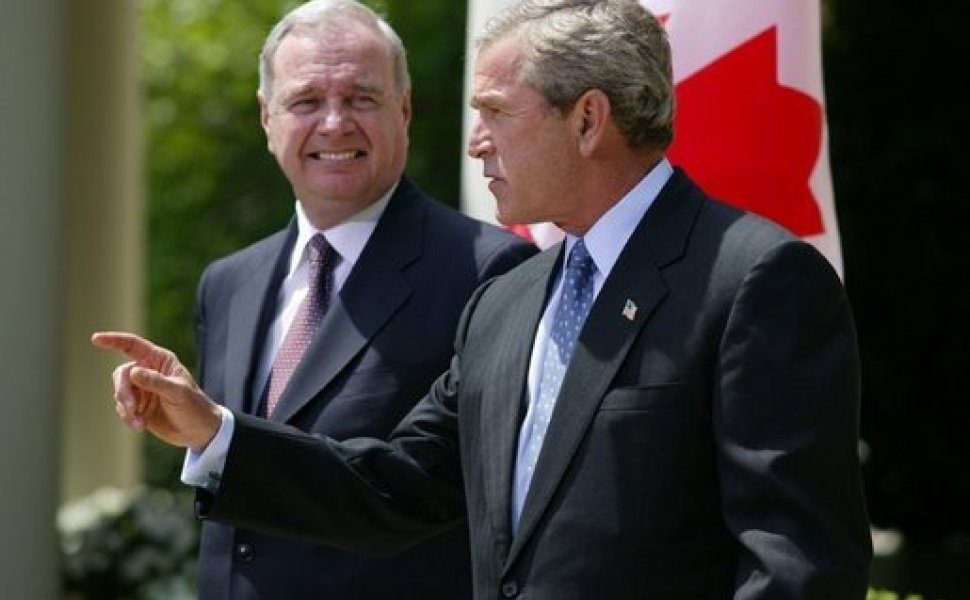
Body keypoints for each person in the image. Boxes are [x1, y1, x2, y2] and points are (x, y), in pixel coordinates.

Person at [94, 0, 873, 597]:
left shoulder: (753, 278)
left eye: (496, 112)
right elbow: (397, 487)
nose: (474, 142)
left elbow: (796, 565)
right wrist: (218, 433)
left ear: (588, 120)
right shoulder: (511, 299)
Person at [127, 1, 536, 598]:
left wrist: (218, 431)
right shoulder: (228, 283)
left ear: (405, 109)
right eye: (307, 101)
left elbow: (442, 492)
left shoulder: (490, 271)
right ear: (267, 117)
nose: (335, 123)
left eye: (362, 98)